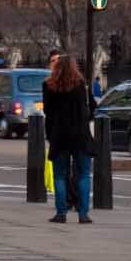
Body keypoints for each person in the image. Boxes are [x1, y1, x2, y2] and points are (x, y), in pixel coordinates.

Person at [42, 52, 93, 225]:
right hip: (80, 134)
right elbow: (89, 109)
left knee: (60, 175)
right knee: (84, 174)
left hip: (59, 134)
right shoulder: (80, 85)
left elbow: (47, 111)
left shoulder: (49, 85)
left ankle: (61, 212)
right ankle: (83, 213)